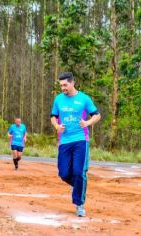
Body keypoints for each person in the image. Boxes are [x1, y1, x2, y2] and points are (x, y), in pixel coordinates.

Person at [50, 72, 101, 217]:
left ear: (73, 83)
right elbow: (53, 116)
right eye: (61, 85)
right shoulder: (58, 99)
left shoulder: (84, 99)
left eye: (65, 85)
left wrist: (87, 123)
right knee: (64, 173)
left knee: (79, 172)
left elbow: (97, 115)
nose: (63, 88)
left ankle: (79, 204)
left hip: (80, 140)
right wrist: (56, 126)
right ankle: (81, 186)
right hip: (64, 141)